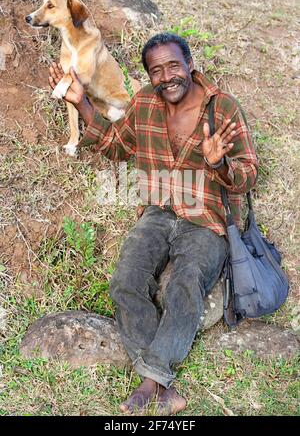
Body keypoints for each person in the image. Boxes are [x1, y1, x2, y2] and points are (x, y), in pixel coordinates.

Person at [49, 33, 258, 415]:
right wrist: (82, 104)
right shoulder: (145, 101)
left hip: (206, 219)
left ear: (190, 64)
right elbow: (115, 145)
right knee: (126, 282)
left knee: (184, 282)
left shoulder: (223, 107)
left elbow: (248, 176)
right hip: (158, 212)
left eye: (173, 65)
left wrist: (218, 164)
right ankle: (163, 385)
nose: (166, 77)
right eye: (156, 70)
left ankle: (151, 384)